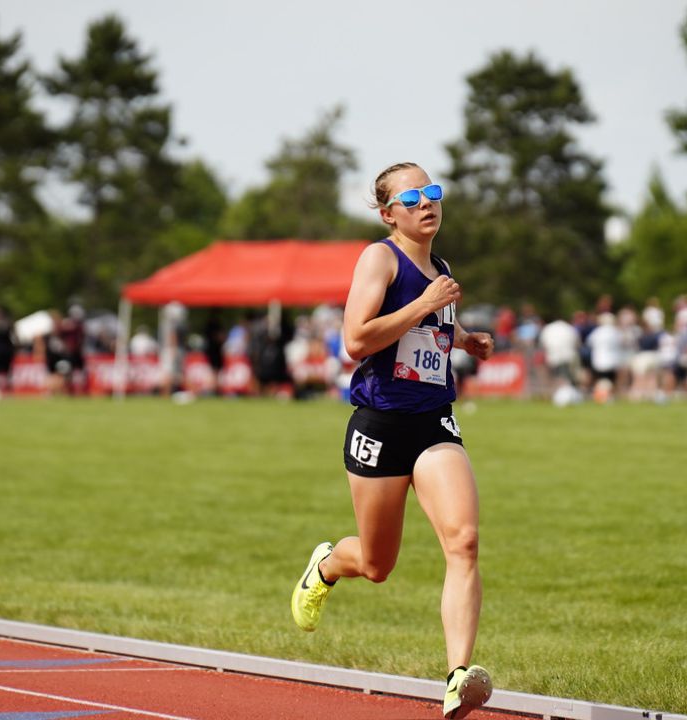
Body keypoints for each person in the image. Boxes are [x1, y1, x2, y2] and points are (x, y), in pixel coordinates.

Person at [289, 162, 495, 719]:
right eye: (413, 197)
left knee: (465, 540)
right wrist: (426, 305)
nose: (428, 202)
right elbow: (356, 340)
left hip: (433, 423)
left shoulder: (444, 269)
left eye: (433, 192)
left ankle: (457, 676)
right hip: (379, 425)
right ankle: (328, 565)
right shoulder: (379, 257)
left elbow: (425, 337)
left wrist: (463, 338)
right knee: (378, 565)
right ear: (388, 214)